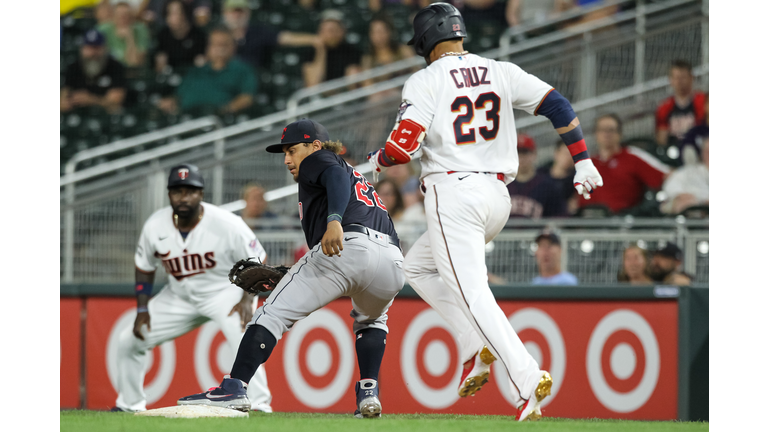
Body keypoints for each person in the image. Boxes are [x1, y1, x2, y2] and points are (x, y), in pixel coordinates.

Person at [366, 3, 603, 421]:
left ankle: (527, 379)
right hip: (497, 197)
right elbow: (557, 104)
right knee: (415, 268)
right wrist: (582, 160)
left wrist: (372, 161)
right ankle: (474, 344)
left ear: (424, 40)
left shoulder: (425, 79)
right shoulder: (500, 69)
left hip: (453, 192)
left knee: (475, 294)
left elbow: (402, 148)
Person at [177, 119, 405, 418]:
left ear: (315, 145)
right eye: (284, 152)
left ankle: (234, 386)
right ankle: (368, 393)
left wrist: (334, 219)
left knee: (271, 314)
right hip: (392, 260)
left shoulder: (320, 159)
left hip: (347, 245)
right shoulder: (357, 180)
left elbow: (334, 174)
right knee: (372, 321)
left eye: (293, 150)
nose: (287, 159)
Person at [112, 164, 272, 413]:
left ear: (201, 194)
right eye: (178, 191)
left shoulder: (226, 222)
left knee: (243, 334)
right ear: (169, 195)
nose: (184, 196)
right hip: (179, 297)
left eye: (191, 191)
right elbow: (144, 266)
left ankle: (259, 404)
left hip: (225, 291)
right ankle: (129, 405)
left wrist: (246, 299)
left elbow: (258, 258)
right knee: (129, 340)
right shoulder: (155, 225)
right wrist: (142, 308)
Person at [578, 113, 670, 215]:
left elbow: (666, 176)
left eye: (611, 130)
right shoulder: (588, 163)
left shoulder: (632, 157)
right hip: (588, 222)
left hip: (622, 222)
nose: (606, 134)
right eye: (602, 130)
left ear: (620, 134)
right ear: (596, 134)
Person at [158, 27, 256, 115]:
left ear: (233, 47)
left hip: (219, 120)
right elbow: (178, 97)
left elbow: (247, 97)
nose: (220, 49)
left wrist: (226, 110)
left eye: (224, 45)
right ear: (208, 48)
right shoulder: (195, 71)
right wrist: (169, 102)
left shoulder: (242, 70)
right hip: (186, 118)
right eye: (215, 45)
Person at [221, 0, 318, 72]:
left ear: (248, 13)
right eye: (233, 11)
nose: (237, 15)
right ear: (225, 13)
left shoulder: (257, 32)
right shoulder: (217, 33)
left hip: (250, 79)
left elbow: (285, 38)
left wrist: (314, 39)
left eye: (240, 11)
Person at [61, 29, 127, 114]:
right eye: (89, 48)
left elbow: (116, 102)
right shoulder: (73, 67)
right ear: (82, 49)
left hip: (106, 118)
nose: (93, 53)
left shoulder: (115, 66)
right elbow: (62, 101)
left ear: (104, 49)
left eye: (97, 48)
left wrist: (90, 99)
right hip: (77, 115)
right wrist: (69, 101)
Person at [507, 134, 570, 218]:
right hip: (505, 231)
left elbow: (560, 216)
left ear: (534, 154)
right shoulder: (503, 184)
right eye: (518, 153)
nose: (521, 157)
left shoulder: (547, 186)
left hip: (535, 231)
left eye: (525, 153)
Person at [302, 10, 363, 88]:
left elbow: (353, 83)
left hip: (343, 95)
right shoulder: (311, 53)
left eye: (334, 30)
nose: (330, 34)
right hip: (321, 97)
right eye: (326, 30)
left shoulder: (351, 51)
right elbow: (313, 85)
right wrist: (321, 50)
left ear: (342, 31)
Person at [655, 60, 707, 147]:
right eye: (676, 78)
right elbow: (662, 137)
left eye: (683, 77)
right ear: (670, 80)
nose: (680, 82)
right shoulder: (664, 107)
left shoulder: (703, 101)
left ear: (691, 78)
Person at [152, 0, 208, 74]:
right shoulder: (162, 35)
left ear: (185, 14)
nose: (172, 18)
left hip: (193, 77)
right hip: (170, 78)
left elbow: (205, 62)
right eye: (169, 13)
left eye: (176, 13)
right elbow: (158, 67)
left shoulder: (199, 35)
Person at [660, 137, 709, 215]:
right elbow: (670, 186)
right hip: (694, 211)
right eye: (707, 151)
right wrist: (681, 195)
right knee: (683, 203)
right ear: (703, 153)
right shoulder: (689, 171)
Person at [97, 1, 151, 67]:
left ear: (132, 18)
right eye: (119, 15)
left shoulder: (140, 29)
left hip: (132, 72)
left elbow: (134, 63)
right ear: (113, 17)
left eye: (126, 15)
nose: (122, 18)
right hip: (110, 70)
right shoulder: (103, 29)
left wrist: (130, 37)